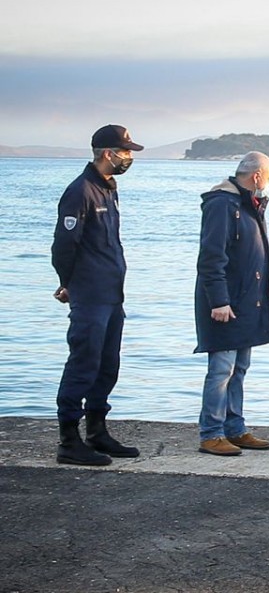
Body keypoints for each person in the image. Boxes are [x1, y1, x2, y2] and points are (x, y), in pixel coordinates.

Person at [51, 124, 144, 466]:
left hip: (111, 294)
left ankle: (97, 430)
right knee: (83, 363)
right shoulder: (81, 191)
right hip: (90, 295)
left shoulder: (107, 189)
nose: (129, 158)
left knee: (107, 364)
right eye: (126, 152)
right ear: (108, 153)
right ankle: (69, 441)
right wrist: (68, 282)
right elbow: (64, 244)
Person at [194, 152, 269, 456]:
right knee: (221, 370)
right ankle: (211, 433)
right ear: (256, 176)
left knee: (240, 367)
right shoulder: (222, 204)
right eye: (268, 177)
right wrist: (219, 300)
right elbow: (211, 257)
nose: (268, 184)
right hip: (225, 304)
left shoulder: (249, 205)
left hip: (246, 302)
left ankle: (235, 427)